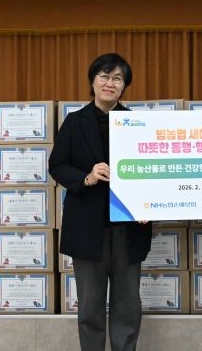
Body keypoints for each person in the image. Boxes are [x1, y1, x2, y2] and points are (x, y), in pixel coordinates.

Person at [49, 53, 152, 351]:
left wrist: (149, 204)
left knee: (128, 305)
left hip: (128, 227)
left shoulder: (137, 123)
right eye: (104, 76)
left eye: (117, 78)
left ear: (124, 86)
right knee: (90, 306)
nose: (110, 83)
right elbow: (57, 165)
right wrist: (87, 177)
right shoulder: (74, 122)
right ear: (93, 81)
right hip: (87, 228)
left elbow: (152, 171)